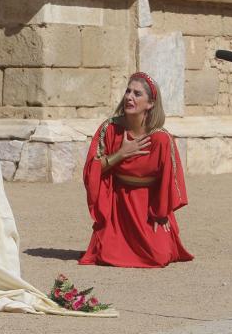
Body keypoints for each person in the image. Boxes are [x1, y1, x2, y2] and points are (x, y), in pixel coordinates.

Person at [79, 72, 194, 268]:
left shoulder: (161, 138)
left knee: (159, 257)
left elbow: (170, 178)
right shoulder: (109, 129)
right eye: (128, 91)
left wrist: (161, 212)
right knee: (107, 256)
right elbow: (92, 169)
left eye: (137, 94)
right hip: (118, 205)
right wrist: (121, 154)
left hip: (148, 206)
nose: (129, 97)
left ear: (150, 104)